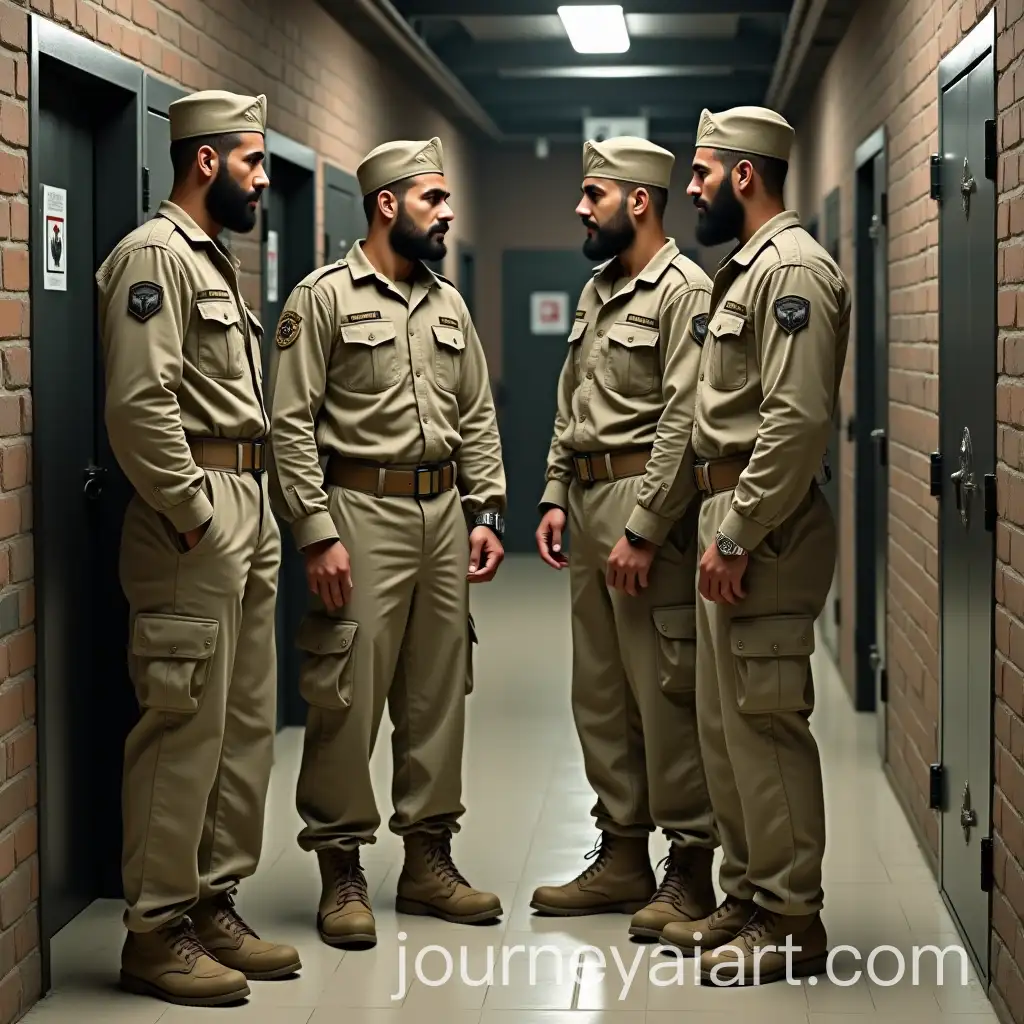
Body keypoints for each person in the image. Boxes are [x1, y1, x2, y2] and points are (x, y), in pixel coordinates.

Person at [265, 136, 507, 950]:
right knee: (347, 691)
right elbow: (289, 424)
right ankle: (341, 869)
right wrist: (314, 531)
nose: (446, 213)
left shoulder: (448, 305)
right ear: (387, 204)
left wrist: (487, 511)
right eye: (433, 198)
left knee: (440, 689)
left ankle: (429, 861)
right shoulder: (323, 298)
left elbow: (476, 415)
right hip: (358, 513)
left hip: (441, 514)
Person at [95, 89, 301, 1007]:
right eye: (254, 161)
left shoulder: (215, 264)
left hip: (242, 507)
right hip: (197, 519)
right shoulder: (155, 257)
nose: (263, 179)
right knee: (182, 727)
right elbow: (140, 406)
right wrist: (192, 515)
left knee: (243, 724)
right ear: (207, 160)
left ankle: (212, 902)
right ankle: (155, 927)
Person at [657, 106, 851, 985]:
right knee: (726, 724)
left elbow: (796, 420)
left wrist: (735, 532)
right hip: (726, 515)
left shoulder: (792, 271)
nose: (689, 189)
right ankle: (747, 893)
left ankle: (792, 919)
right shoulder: (741, 273)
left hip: (760, 527)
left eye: (700, 174)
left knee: (766, 724)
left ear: (743, 175)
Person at [530, 137, 718, 941]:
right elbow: (570, 400)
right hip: (588, 503)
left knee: (665, 694)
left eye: (594, 194)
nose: (581, 207)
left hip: (650, 515)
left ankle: (690, 869)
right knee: (601, 694)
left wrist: (644, 527)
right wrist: (553, 492)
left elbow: (685, 418)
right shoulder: (597, 290)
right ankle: (621, 855)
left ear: (638, 201)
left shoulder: (685, 291)